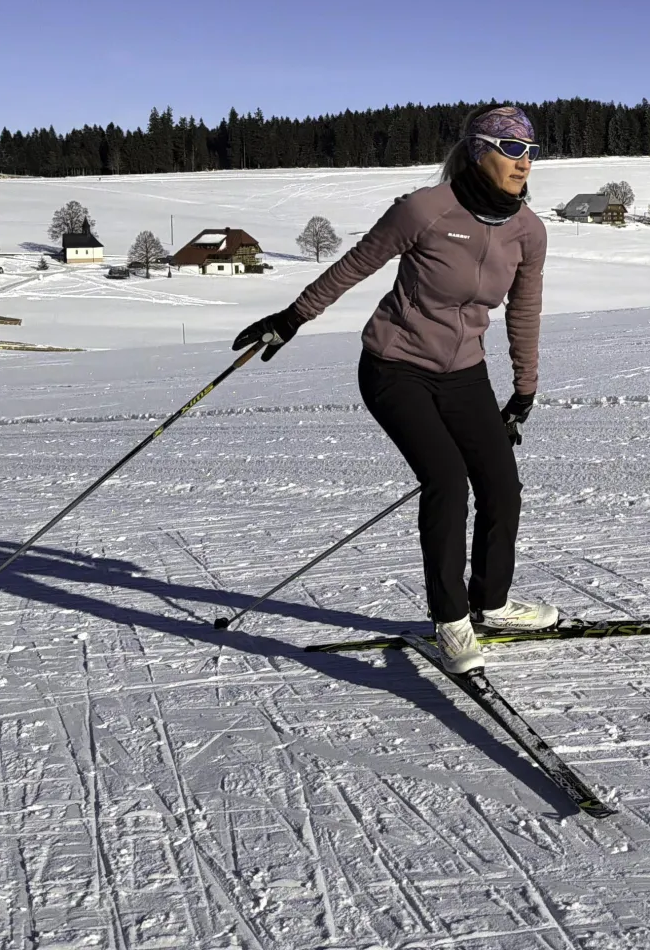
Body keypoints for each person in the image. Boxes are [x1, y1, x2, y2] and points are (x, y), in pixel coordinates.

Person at [232, 105, 554, 673]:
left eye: (530, 150)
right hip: (394, 367)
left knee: (502, 486)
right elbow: (355, 266)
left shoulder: (529, 231)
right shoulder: (425, 210)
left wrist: (523, 392)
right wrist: (291, 317)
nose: (523, 162)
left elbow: (524, 312)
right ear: (479, 151)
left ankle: (492, 605)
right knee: (448, 482)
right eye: (510, 149)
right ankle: (451, 621)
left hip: (465, 373)